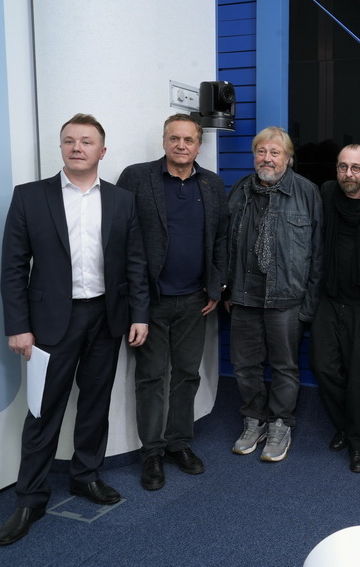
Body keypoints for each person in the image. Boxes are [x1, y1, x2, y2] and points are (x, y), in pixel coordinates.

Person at [0, 114, 149, 545]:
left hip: (106, 318)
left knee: (95, 404)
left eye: (86, 141)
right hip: (50, 323)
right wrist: (19, 326)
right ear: (61, 147)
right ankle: (30, 497)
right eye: (69, 140)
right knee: (43, 411)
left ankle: (86, 476)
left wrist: (139, 314)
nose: (77, 147)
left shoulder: (122, 200)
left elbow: (135, 262)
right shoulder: (30, 197)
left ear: (102, 151)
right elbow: (13, 267)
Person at [116, 113, 228, 490]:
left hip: (195, 302)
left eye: (188, 140)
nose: (181, 145)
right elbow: (119, 237)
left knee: (186, 375)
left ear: (199, 145)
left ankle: (179, 443)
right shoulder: (136, 177)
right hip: (150, 303)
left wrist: (216, 287)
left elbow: (222, 239)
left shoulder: (212, 184)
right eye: (174, 138)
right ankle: (152, 453)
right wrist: (132, 301)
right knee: (150, 378)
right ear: (164, 141)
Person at [226, 126, 323, 462]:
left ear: (288, 158)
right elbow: (225, 242)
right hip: (244, 296)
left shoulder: (307, 193)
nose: (267, 158)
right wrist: (226, 289)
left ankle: (280, 423)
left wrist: (309, 304)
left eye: (275, 152)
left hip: (286, 298)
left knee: (284, 366)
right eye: (261, 151)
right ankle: (254, 420)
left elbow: (318, 254)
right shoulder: (240, 190)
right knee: (244, 366)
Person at [310, 144, 360, 473]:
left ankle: (358, 444)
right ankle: (344, 424)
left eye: (356, 168)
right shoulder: (326, 193)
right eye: (343, 166)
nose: (349, 174)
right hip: (329, 298)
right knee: (324, 368)